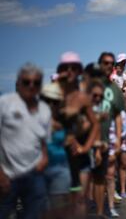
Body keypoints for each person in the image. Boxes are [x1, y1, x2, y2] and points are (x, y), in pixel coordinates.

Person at [0, 63, 51, 219]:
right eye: (26, 82)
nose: (31, 86)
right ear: (18, 83)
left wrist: (44, 157)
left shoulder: (43, 108)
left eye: (36, 83)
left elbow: (43, 139)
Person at [56, 52, 99, 218]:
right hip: (57, 156)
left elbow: (94, 123)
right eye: (66, 68)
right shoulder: (52, 94)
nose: (70, 71)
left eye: (74, 68)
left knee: (80, 199)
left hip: (79, 156)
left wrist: (86, 147)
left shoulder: (82, 97)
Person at [96, 52, 124, 217]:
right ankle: (95, 207)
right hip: (93, 136)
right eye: (104, 63)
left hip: (110, 134)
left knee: (109, 173)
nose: (108, 66)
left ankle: (109, 207)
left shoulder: (115, 89)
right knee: (94, 176)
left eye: (110, 64)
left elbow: (118, 115)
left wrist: (119, 138)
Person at [41, 83, 72, 218]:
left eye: (55, 101)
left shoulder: (65, 120)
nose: (51, 104)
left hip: (61, 171)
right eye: (47, 100)